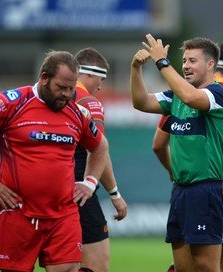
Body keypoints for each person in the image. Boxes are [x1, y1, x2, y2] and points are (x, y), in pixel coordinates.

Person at [0, 51, 109, 272]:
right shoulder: (10, 102)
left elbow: (100, 146)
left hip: (64, 213)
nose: (66, 94)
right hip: (16, 211)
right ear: (44, 78)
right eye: (61, 87)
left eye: (71, 88)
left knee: (68, 268)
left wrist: (89, 183)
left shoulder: (77, 113)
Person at [131, 34, 223, 272]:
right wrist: (136, 68)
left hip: (207, 190)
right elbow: (140, 102)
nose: (186, 65)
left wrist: (162, 63)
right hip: (181, 192)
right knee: (183, 268)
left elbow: (191, 96)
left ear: (210, 65)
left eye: (193, 61)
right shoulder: (175, 97)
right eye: (184, 60)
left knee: (206, 267)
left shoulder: (219, 94)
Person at [74, 48, 128, 272]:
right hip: (79, 193)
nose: (101, 86)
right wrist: (115, 194)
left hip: (43, 193)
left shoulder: (48, 97)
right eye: (101, 79)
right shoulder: (89, 102)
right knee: (96, 265)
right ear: (88, 74)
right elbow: (98, 152)